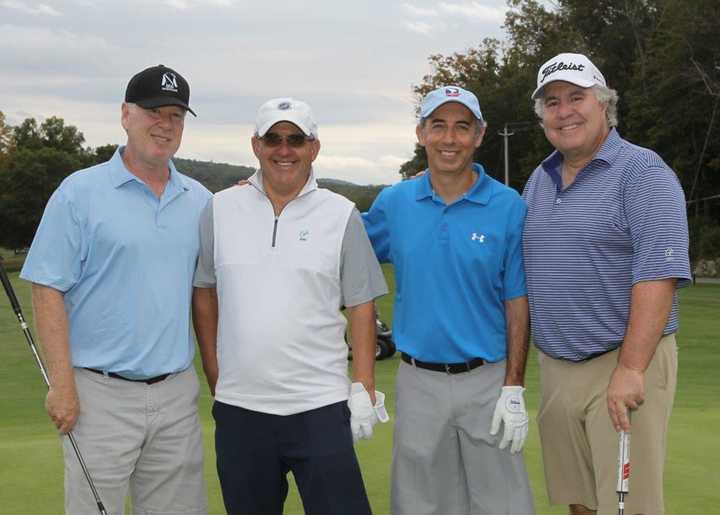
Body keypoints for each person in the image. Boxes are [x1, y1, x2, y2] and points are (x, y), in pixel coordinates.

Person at [19, 65, 210, 514]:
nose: (165, 124)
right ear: (125, 114)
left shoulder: (201, 201)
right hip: (98, 397)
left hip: (176, 395)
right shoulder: (78, 193)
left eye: (176, 116)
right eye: (153, 111)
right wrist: (62, 385)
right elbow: (47, 290)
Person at [192, 97, 389, 515]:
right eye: (274, 139)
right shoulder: (220, 208)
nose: (285, 149)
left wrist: (364, 385)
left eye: (296, 139)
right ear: (255, 145)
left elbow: (360, 304)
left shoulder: (341, 214)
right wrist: (214, 371)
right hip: (241, 410)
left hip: (320, 405)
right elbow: (205, 291)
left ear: (314, 147)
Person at [523, 52, 691, 515]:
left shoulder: (643, 172)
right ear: (542, 117)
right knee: (579, 503)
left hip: (623, 361)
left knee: (627, 508)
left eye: (576, 97)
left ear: (603, 104)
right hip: (557, 367)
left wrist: (632, 368)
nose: (564, 110)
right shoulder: (540, 179)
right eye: (552, 102)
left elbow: (659, 271)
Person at [363, 85, 535, 515]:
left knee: (503, 505)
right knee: (421, 504)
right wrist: (270, 194)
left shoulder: (508, 205)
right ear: (421, 133)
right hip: (418, 380)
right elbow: (343, 252)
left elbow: (517, 300)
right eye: (438, 125)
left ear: (479, 135)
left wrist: (514, 385)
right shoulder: (395, 202)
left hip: (488, 379)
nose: (449, 138)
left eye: (462, 127)